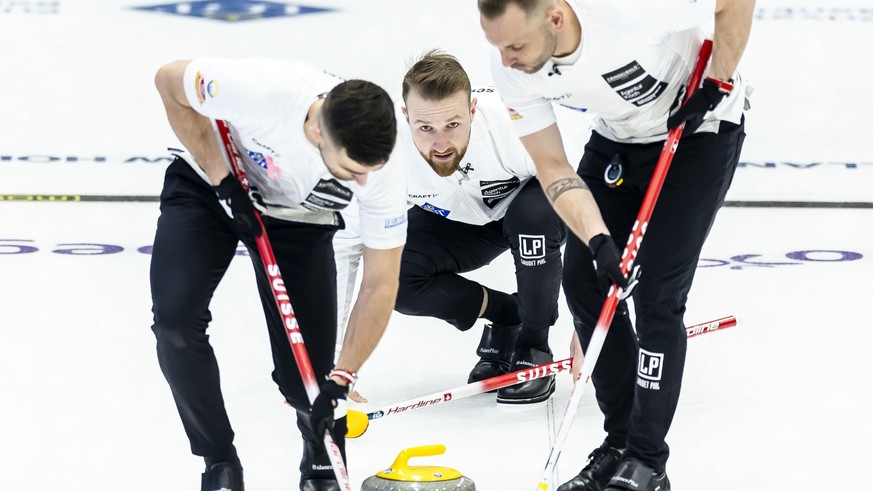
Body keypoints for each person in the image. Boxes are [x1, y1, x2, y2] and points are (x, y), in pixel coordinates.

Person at [479, 0, 752, 489]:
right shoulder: (513, 69)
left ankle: (647, 461)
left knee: (656, 298)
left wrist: (717, 82)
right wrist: (598, 238)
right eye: (497, 45)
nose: (505, 60)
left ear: (556, 19)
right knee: (583, 278)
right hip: (619, 138)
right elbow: (553, 168)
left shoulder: (628, 12)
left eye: (515, 45)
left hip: (700, 130)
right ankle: (619, 443)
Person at [150, 56, 407, 491]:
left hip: (299, 214)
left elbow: (381, 281)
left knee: (305, 379)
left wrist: (341, 378)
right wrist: (223, 180)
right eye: (350, 172)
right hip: (211, 186)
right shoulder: (261, 91)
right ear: (316, 133)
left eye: (369, 173)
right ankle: (219, 462)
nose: (363, 186)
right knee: (175, 324)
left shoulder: (383, 164)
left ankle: (321, 449)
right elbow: (168, 81)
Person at [334, 50, 573, 404]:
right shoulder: (385, 156)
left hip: (530, 207)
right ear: (406, 117)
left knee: (532, 221)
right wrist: (337, 363)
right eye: (425, 128)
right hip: (457, 222)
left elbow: (579, 198)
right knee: (394, 277)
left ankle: (533, 344)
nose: (441, 143)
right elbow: (348, 248)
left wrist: (594, 318)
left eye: (453, 125)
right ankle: (510, 317)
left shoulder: (513, 126)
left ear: (473, 110)